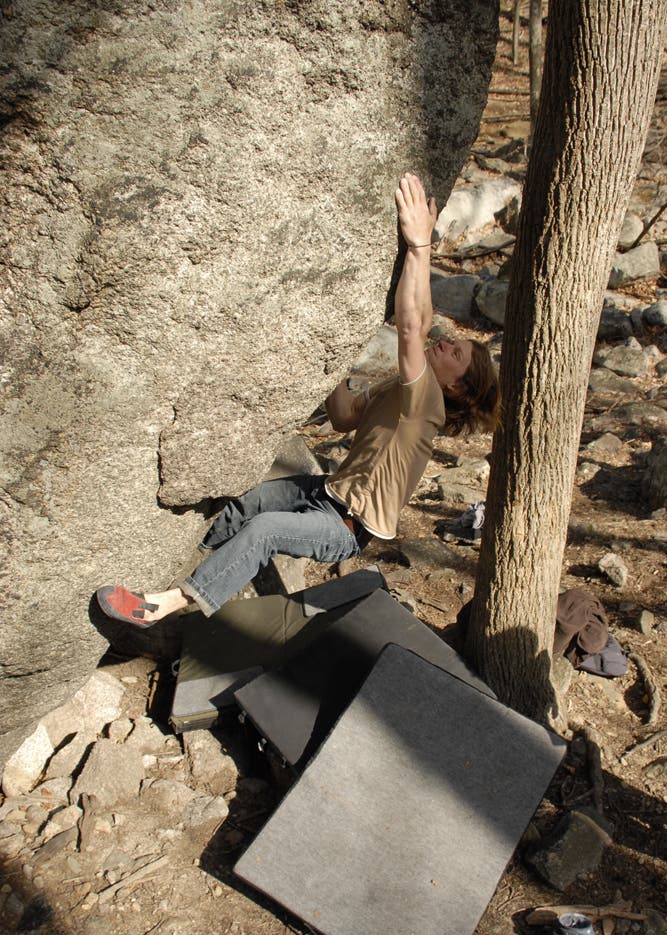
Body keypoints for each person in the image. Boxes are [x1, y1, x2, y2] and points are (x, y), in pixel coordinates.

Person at [96, 173, 500, 628]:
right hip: (325, 494)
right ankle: (177, 567)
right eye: (450, 342)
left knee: (264, 532)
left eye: (456, 353)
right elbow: (343, 416)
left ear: (458, 387)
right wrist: (325, 354)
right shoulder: (399, 390)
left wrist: (419, 244)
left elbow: (413, 325)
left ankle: (162, 607)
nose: (445, 343)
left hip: (347, 528)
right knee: (247, 504)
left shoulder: (427, 400)